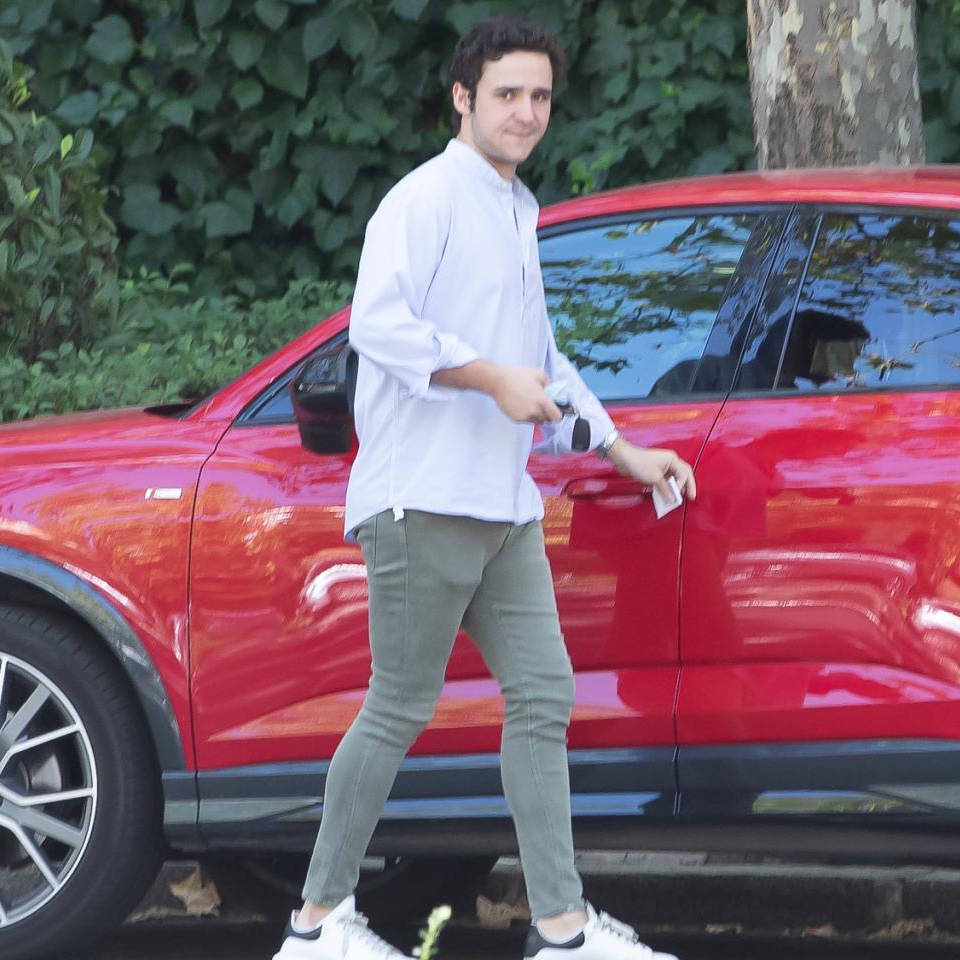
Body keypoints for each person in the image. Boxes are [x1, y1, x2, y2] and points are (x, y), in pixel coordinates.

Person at [272, 16, 693, 960]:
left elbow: (539, 360)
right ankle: (313, 926)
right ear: (462, 99)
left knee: (543, 694)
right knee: (399, 707)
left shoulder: (519, 206)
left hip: (502, 508)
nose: (527, 112)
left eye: (540, 96)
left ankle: (562, 931)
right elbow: (377, 327)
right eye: (507, 94)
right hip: (419, 500)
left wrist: (622, 448)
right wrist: (484, 376)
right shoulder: (420, 201)